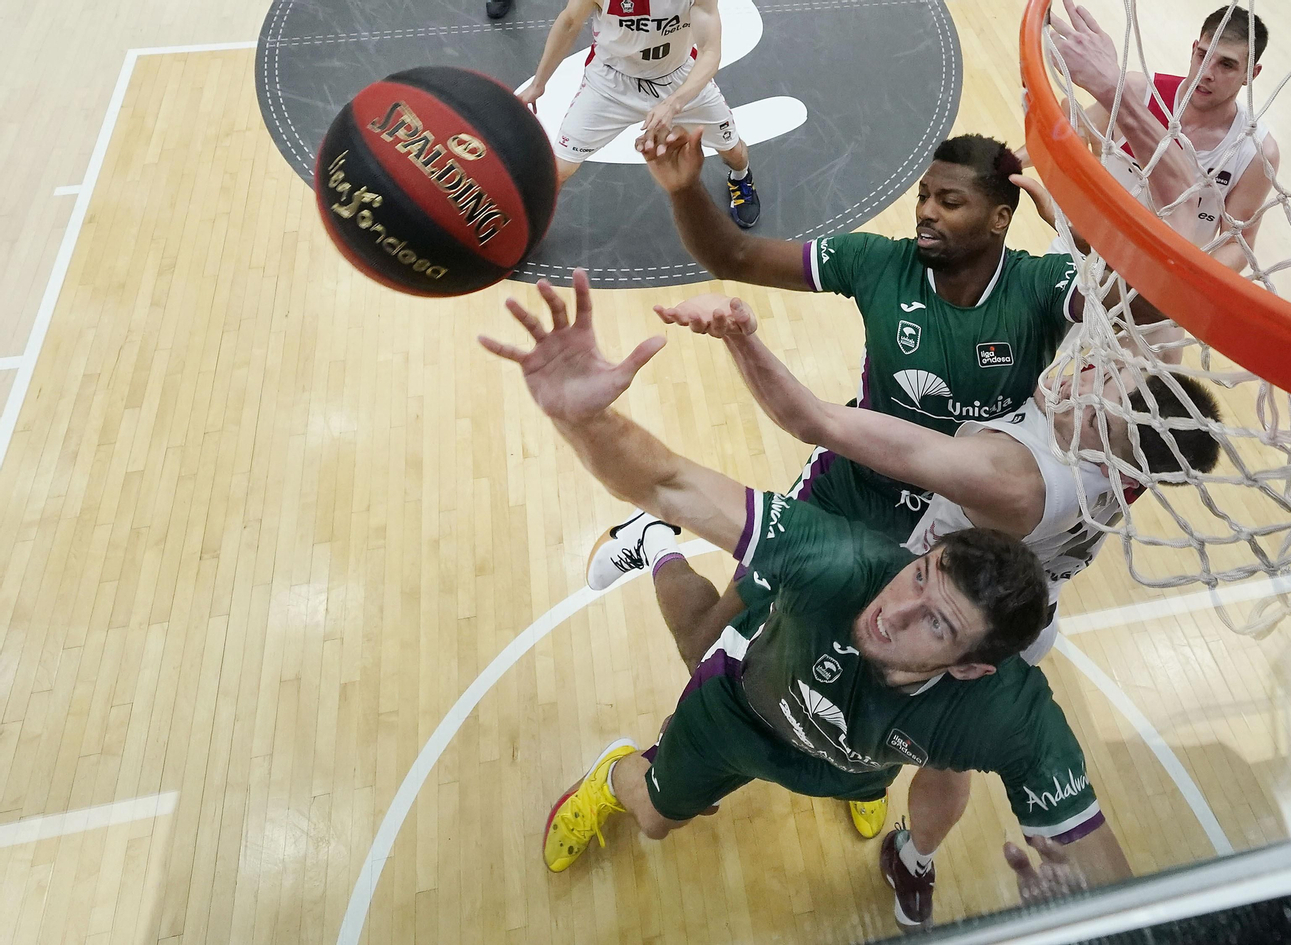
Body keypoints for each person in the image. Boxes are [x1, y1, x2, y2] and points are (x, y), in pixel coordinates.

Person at [585, 5, 1201, 895]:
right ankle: (665, 544)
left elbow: (1150, 301)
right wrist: (685, 189)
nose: (925, 214)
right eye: (923, 195)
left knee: (901, 691)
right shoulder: (878, 265)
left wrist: (1081, 211)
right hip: (855, 487)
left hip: (954, 534)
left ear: (999, 218)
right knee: (712, 649)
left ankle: (848, 763)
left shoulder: (1039, 287)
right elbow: (730, 251)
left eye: (949, 202)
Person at [480, 271, 1134, 928]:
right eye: (917, 576)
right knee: (653, 815)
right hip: (738, 710)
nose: (892, 609)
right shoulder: (849, 564)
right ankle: (617, 754)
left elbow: (1110, 871)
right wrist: (580, 416)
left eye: (935, 621)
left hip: (854, 763)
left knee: (900, 764)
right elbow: (671, 481)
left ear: (971, 667)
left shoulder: (1009, 713)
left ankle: (901, 843)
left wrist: (1107, 920)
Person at [654, 292, 1225, 667]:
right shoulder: (1147, 444)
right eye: (1110, 375)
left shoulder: (1015, 479)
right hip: (1018, 616)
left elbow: (815, 420)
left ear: (1105, 444)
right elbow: (1151, 318)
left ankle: (653, 545)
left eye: (1099, 404)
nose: (1083, 381)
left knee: (717, 655)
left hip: (925, 594)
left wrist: (739, 336)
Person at [1023, 6, 1280, 272]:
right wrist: (1007, 160)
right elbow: (1064, 137)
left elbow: (1237, 243)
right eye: (1203, 55)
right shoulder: (1136, 93)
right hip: (1082, 249)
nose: (1207, 72)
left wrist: (1187, 287)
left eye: (1226, 64)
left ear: (1251, 73)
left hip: (1159, 283)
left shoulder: (1256, 151)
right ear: (1194, 49)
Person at [518, 0, 761, 226]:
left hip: (679, 81)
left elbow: (710, 52)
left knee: (733, 151)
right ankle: (529, 228)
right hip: (610, 83)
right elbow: (569, 22)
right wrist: (538, 84)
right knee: (558, 169)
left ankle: (740, 177)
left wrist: (674, 102)